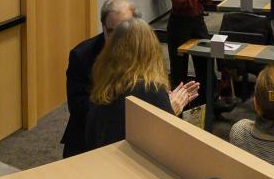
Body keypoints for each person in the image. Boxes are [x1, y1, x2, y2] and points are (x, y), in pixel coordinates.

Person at [81, 20, 200, 154]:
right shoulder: (150, 88)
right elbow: (163, 144)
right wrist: (171, 110)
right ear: (151, 51)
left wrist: (164, 104)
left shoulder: (104, 82)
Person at [63, 0, 139, 157]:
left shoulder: (141, 48)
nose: (119, 39)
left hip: (131, 137)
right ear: (104, 28)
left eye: (124, 32)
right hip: (88, 140)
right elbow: (78, 108)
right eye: (112, 32)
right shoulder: (81, 55)